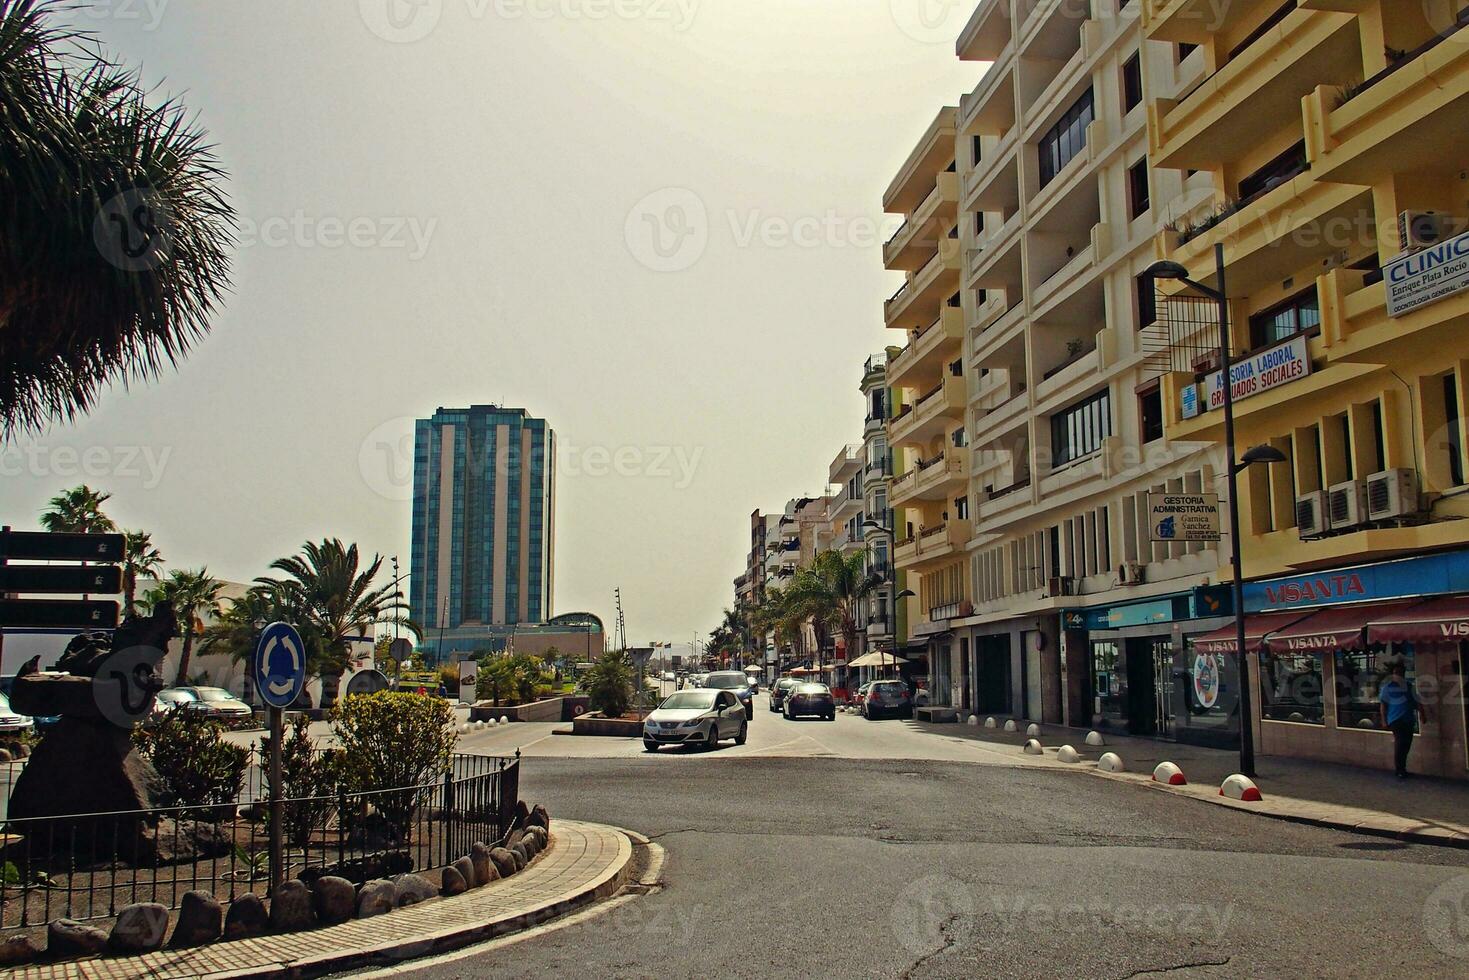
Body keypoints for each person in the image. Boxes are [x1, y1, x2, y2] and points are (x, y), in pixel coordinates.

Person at [1378, 661, 1427, 779]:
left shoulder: (1409, 687)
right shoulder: (1387, 688)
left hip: (1408, 719)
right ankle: (1399, 770)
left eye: (1400, 673)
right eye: (1396, 673)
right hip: (1395, 720)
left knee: (1406, 744)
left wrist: (1422, 714)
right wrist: (1384, 720)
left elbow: (1417, 702)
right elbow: (1383, 705)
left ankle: (1402, 768)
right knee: (1400, 744)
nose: (1398, 675)